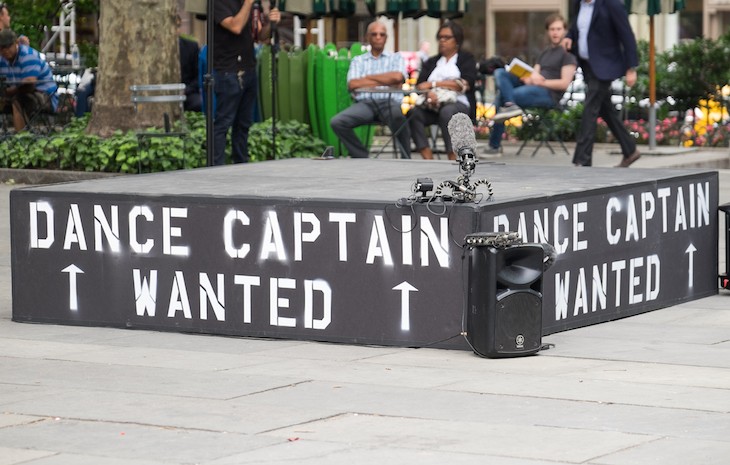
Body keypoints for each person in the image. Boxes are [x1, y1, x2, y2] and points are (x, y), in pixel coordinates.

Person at [563, 0, 640, 167]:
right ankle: (630, 150)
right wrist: (569, 36)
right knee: (606, 110)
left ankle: (583, 160)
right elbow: (577, 27)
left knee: (590, 108)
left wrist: (631, 68)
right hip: (587, 65)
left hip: (605, 66)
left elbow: (626, 35)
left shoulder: (612, 4)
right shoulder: (579, 4)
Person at [488, 14, 577, 154]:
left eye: (559, 29)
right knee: (500, 72)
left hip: (549, 94)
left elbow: (564, 83)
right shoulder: (545, 52)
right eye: (552, 29)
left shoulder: (568, 54)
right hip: (533, 87)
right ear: (548, 31)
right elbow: (534, 73)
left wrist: (542, 82)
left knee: (502, 96)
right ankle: (511, 105)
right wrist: (529, 78)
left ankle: (494, 145)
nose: (555, 32)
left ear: (565, 31)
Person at [212, 0, 280, 165]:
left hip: (248, 68)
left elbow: (260, 36)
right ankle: (216, 166)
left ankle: (241, 164)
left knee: (243, 124)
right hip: (228, 70)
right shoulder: (219, 3)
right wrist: (248, 3)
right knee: (223, 123)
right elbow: (235, 27)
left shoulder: (252, 5)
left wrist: (272, 23)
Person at [330, 21, 409, 159]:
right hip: (365, 104)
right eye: (374, 34)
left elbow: (398, 77)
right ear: (367, 37)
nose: (378, 37)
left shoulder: (396, 57)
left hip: (389, 103)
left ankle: (406, 158)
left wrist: (367, 78)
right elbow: (353, 84)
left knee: (399, 118)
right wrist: (387, 80)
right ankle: (362, 157)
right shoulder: (358, 60)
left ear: (386, 38)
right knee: (337, 122)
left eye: (382, 34)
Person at [408, 21, 476, 160]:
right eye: (440, 37)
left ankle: (453, 156)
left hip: (458, 103)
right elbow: (420, 86)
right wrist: (429, 93)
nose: (442, 41)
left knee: (447, 113)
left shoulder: (466, 59)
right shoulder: (431, 62)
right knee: (413, 113)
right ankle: (428, 157)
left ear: (457, 41)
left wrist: (433, 84)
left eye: (447, 37)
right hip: (432, 105)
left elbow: (464, 84)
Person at [0, 29, 58, 132]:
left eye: (8, 46)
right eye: (2, 47)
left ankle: (21, 138)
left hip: (45, 95)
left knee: (18, 100)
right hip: (16, 93)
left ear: (16, 43)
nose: (5, 50)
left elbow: (29, 84)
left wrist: (9, 92)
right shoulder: (2, 59)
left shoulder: (28, 55)